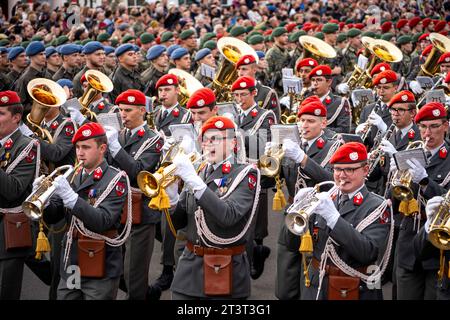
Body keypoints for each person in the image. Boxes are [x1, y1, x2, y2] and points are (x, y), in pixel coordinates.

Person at [167, 116, 260, 299]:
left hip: (224, 268)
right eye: (205, 140)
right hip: (189, 268)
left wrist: (193, 181)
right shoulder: (200, 171)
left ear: (233, 142)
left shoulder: (244, 173)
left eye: (216, 139)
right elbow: (179, 223)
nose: (209, 144)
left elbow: (228, 216)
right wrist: (171, 196)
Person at [284, 141, 391, 300]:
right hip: (316, 285)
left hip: (353, 288)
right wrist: (294, 210)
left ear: (365, 170)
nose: (342, 175)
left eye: (350, 169)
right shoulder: (326, 197)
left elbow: (367, 253)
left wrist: (334, 219)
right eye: (338, 169)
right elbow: (292, 244)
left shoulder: (378, 206)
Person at [42, 122, 130, 300]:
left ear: (102, 148)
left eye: (86, 147)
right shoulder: (73, 174)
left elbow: (103, 220)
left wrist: (72, 199)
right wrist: (44, 201)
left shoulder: (116, 179)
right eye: (77, 147)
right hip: (72, 261)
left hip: (99, 259)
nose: (80, 152)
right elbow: (53, 217)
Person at [272, 99, 335, 300]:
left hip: (318, 217)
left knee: (310, 272)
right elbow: (273, 181)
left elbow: (333, 181)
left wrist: (303, 159)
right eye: (301, 120)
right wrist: (268, 161)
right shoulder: (292, 143)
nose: (304, 125)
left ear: (323, 123)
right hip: (292, 212)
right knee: (286, 269)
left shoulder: (334, 145)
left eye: (310, 121)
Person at [105, 89, 163, 300]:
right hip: (117, 207)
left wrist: (114, 148)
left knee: (134, 271)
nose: (123, 115)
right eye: (120, 110)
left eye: (128, 110)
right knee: (115, 268)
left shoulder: (153, 139)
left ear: (142, 110)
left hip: (141, 210)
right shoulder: (119, 135)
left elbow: (139, 171)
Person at [391, 102, 450, 300]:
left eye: (434, 126)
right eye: (423, 127)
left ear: (445, 126)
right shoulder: (412, 151)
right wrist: (394, 174)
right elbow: (392, 202)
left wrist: (425, 181)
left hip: (437, 245)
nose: (427, 133)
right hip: (408, 240)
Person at [0, 90, 39, 299]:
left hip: (8, 231)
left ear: (16, 118)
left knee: (6, 291)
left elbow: (13, 189)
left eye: (0, 114)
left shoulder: (27, 146)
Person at [236, 54, 280, 121]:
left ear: (254, 70)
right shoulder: (232, 92)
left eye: (244, 69)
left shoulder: (267, 93)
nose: (240, 73)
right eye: (238, 70)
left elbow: (274, 121)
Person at [308, 65, 351, 134]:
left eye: (319, 80)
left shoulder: (340, 102)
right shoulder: (307, 101)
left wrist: (317, 130)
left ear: (329, 82)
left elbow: (344, 130)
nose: (315, 84)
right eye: (313, 80)